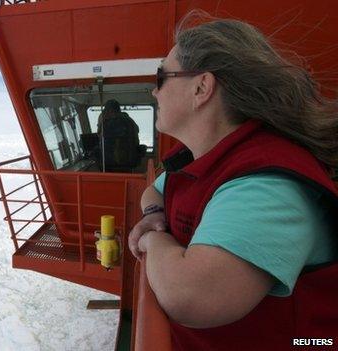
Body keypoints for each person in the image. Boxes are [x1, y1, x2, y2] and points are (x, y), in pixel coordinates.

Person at [127, 12, 338, 351]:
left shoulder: (267, 184)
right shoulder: (203, 158)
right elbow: (158, 189)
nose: (154, 91)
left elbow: (189, 295)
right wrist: (153, 213)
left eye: (162, 76)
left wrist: (154, 242)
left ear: (201, 88)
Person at [96, 99, 142, 171]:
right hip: (129, 161)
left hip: (109, 162)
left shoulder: (105, 122)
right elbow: (137, 131)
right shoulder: (129, 120)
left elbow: (99, 135)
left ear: (109, 110)